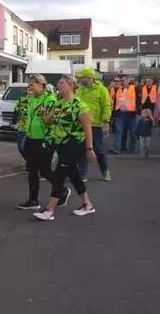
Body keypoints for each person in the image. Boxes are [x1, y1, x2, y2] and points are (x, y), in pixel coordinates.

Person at [33, 75, 96, 221]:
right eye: (58, 83)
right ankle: (87, 205)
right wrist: (43, 114)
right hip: (60, 144)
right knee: (73, 175)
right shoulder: (58, 104)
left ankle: (49, 210)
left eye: (61, 83)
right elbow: (48, 122)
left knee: (59, 174)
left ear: (71, 85)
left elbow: (88, 128)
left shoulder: (79, 105)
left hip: (74, 144)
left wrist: (89, 148)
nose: (58, 85)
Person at [16, 74, 70, 211]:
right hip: (31, 137)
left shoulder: (50, 99)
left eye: (32, 85)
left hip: (44, 140)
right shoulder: (33, 98)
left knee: (44, 171)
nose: (30, 87)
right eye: (29, 85)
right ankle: (33, 200)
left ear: (41, 84)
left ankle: (62, 190)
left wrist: (47, 142)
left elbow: (51, 122)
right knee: (33, 170)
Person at [75, 68, 111, 182]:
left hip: (95, 124)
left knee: (98, 150)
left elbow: (106, 106)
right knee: (81, 149)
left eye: (82, 77)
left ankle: (105, 172)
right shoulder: (79, 90)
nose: (79, 79)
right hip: (81, 124)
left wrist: (106, 122)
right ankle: (83, 174)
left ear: (89, 77)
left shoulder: (101, 89)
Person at [111, 74, 139, 154]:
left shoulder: (135, 89)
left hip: (131, 114)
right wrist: (113, 113)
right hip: (120, 114)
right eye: (120, 81)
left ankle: (132, 147)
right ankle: (116, 147)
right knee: (118, 131)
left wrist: (138, 112)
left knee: (132, 132)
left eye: (123, 81)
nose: (121, 82)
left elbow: (138, 100)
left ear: (128, 80)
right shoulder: (117, 89)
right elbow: (114, 101)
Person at [12, 86, 31, 172]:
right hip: (22, 126)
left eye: (32, 90)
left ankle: (31, 164)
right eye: (29, 90)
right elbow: (16, 111)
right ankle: (29, 161)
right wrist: (14, 123)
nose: (30, 92)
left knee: (30, 147)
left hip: (31, 128)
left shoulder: (36, 101)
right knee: (20, 147)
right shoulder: (21, 100)